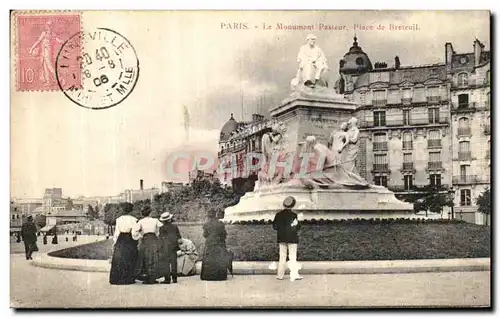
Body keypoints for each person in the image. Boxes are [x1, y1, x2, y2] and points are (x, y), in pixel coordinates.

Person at [109, 202, 141, 285]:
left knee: (119, 258)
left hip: (121, 239)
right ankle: (128, 278)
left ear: (123, 210)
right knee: (129, 257)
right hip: (129, 239)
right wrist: (136, 238)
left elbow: (116, 232)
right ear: (131, 210)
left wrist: (115, 242)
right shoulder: (133, 219)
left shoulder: (119, 219)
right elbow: (134, 233)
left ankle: (117, 278)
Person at [272, 197, 303, 281]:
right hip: (292, 237)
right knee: (292, 256)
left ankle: (280, 275)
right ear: (292, 205)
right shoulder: (294, 215)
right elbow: (297, 227)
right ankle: (294, 274)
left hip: (281, 237)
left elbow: (274, 227)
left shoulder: (278, 215)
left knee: (282, 256)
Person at [135, 205, 163, 284]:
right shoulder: (155, 220)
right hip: (153, 239)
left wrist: (141, 235)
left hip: (145, 239)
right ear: (150, 213)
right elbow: (162, 227)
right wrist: (158, 234)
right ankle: (153, 277)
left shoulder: (140, 221)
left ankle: (146, 277)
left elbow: (135, 231)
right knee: (154, 257)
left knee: (145, 257)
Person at [201, 209, 229, 281]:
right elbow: (224, 234)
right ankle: (220, 276)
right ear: (215, 215)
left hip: (210, 243)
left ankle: (208, 276)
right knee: (219, 258)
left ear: (209, 216)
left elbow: (205, 235)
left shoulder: (206, 224)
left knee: (209, 259)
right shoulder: (220, 223)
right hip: (219, 244)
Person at [158, 212, 181, 284]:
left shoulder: (161, 228)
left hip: (165, 247)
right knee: (174, 263)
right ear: (169, 219)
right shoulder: (175, 226)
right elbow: (179, 237)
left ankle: (167, 279)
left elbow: (160, 238)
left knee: (166, 263)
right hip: (173, 246)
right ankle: (175, 279)